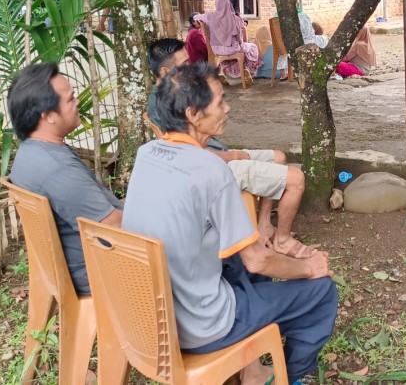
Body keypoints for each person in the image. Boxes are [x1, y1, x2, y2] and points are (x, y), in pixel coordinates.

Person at [124, 63, 338, 385]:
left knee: (243, 263)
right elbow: (258, 260)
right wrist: (310, 266)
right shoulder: (212, 171)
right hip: (202, 327)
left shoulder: (146, 154)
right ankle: (290, 376)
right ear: (194, 114)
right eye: (221, 101)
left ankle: (251, 367)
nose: (228, 107)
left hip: (152, 321)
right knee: (321, 291)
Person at [147, 38, 314, 258]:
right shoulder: (166, 104)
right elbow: (193, 155)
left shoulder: (180, 92)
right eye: (184, 64)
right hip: (214, 167)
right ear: (166, 70)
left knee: (279, 157)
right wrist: (234, 155)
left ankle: (263, 226)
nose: (190, 67)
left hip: (217, 157)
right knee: (296, 178)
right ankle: (282, 241)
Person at [7, 64, 122, 296]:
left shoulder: (30, 152)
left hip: (82, 262)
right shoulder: (58, 170)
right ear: (47, 115)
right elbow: (113, 228)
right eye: (70, 99)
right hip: (105, 271)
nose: (78, 101)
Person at [205, 0, 263, 81]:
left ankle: (223, 72)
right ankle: (246, 71)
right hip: (232, 49)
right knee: (252, 47)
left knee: (237, 52)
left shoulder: (212, 19)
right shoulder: (233, 18)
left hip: (217, 50)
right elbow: (239, 39)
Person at [276, 9, 329, 79]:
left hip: (282, 45)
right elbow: (310, 35)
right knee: (325, 40)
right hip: (300, 45)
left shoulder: (276, 17)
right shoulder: (302, 16)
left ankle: (283, 74)